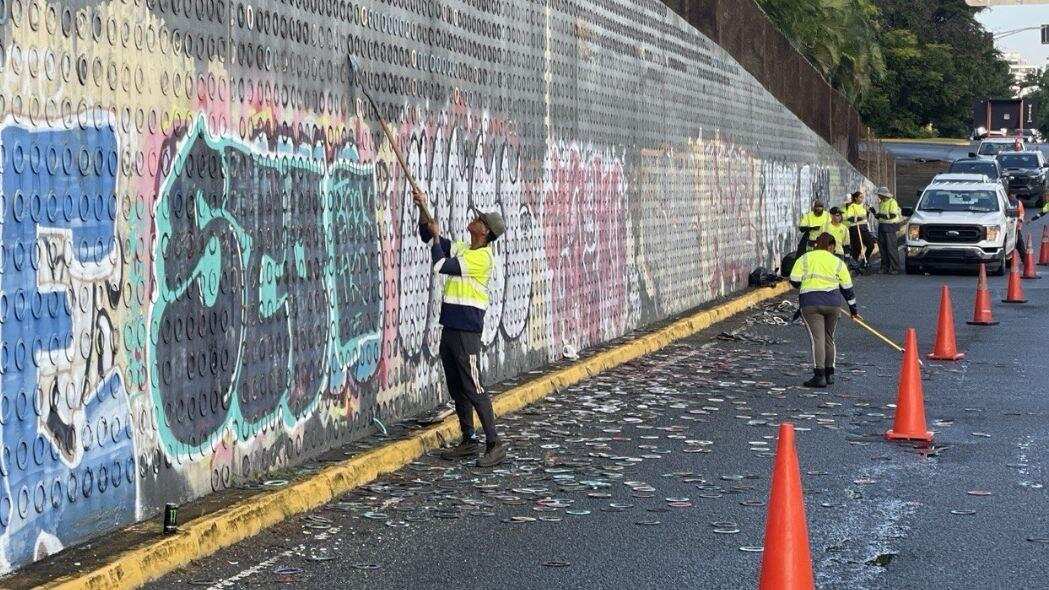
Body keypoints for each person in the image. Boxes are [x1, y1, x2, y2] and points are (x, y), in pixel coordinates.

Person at [414, 190, 508, 467]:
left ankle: (494, 442)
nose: (474, 219)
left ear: (485, 232)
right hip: (451, 326)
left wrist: (435, 235)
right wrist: (423, 209)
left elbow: (441, 265)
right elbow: (431, 240)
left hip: (467, 330)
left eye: (480, 220)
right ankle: (468, 439)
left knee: (474, 385)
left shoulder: (481, 258)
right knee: (457, 386)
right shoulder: (465, 248)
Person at [789, 233, 860, 388]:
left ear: (816, 244)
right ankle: (830, 374)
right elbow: (847, 288)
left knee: (818, 339)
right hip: (833, 304)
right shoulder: (837, 262)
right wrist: (853, 310)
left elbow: (794, 280)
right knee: (829, 337)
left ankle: (819, 375)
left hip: (810, 304)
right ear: (831, 246)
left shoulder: (805, 258)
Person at [872, 187, 903, 274]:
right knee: (882, 248)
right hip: (882, 226)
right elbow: (880, 216)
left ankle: (895, 268)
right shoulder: (882, 202)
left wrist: (880, 215)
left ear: (883, 195)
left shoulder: (892, 202)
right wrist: (874, 213)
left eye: (879, 194)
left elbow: (892, 215)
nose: (878, 196)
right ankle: (885, 267)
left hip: (890, 227)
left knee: (891, 248)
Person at [845, 191, 877, 265]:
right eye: (860, 197)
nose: (862, 199)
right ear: (856, 198)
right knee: (857, 247)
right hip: (855, 228)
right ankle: (854, 263)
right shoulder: (852, 206)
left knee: (871, 245)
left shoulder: (864, 206)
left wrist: (871, 211)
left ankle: (865, 261)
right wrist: (860, 218)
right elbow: (849, 218)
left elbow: (867, 216)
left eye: (862, 197)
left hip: (864, 228)